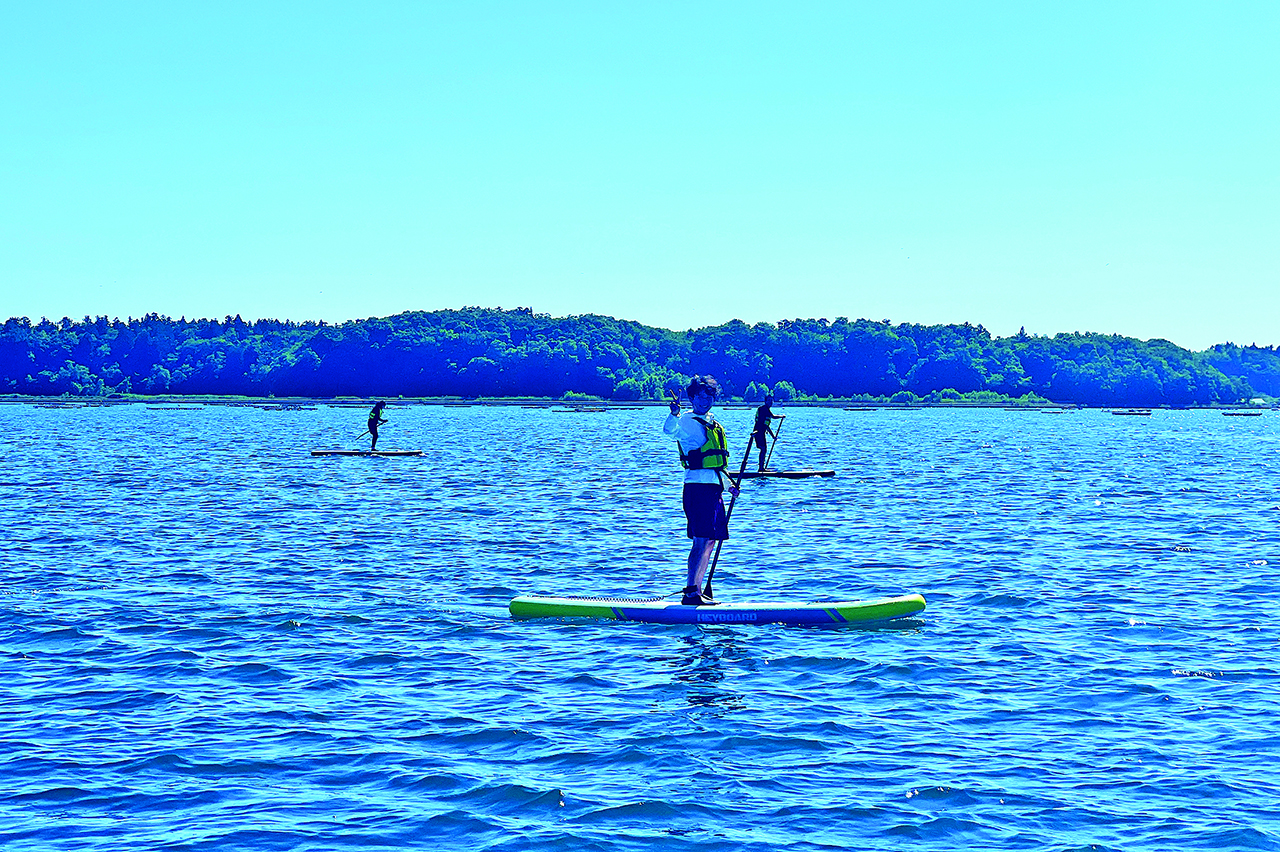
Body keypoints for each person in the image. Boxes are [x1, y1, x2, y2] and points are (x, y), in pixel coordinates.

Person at [663, 375, 739, 606]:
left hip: (715, 489)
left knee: (710, 542)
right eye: (700, 397)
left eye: (709, 397)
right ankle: (690, 591)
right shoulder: (686, 421)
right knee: (700, 540)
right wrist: (674, 413)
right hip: (696, 490)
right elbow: (669, 431)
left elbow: (717, 466)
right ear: (692, 398)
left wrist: (729, 486)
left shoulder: (713, 424)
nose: (705, 401)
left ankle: (698, 588)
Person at [752, 394, 785, 472]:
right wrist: (781, 417)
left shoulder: (766, 409)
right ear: (765, 401)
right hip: (758, 432)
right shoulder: (763, 409)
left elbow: (766, 425)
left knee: (764, 449)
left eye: (771, 401)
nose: (770, 402)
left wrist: (773, 436)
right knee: (763, 449)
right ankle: (761, 468)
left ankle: (761, 467)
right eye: (769, 400)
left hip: (761, 432)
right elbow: (772, 417)